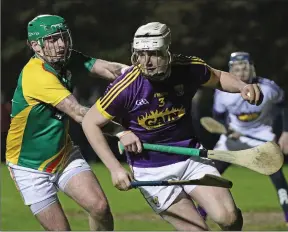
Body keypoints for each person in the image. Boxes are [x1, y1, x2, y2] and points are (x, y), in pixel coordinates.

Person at [82, 22, 262, 231]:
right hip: (151, 170)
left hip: (190, 156)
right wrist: (115, 168)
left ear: (167, 52)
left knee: (229, 218)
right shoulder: (126, 86)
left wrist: (242, 86)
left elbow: (219, 77)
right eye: (140, 54)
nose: (146, 62)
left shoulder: (188, 68)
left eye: (154, 54)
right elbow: (90, 122)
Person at [6, 14, 129, 231]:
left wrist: (136, 74)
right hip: (29, 166)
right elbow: (80, 113)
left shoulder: (64, 58)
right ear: (36, 46)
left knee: (100, 207)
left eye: (63, 37)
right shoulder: (36, 76)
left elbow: (108, 68)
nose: (61, 45)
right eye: (53, 40)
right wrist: (122, 132)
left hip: (62, 154)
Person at [196, 52, 288, 231]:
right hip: (232, 140)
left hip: (262, 139)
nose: (241, 72)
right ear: (230, 70)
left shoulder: (268, 88)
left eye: (244, 67)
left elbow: (286, 104)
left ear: (252, 67)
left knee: (278, 178)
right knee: (209, 177)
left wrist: (287, 133)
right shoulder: (223, 92)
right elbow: (217, 118)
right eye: (236, 68)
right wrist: (227, 130)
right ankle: (197, 221)